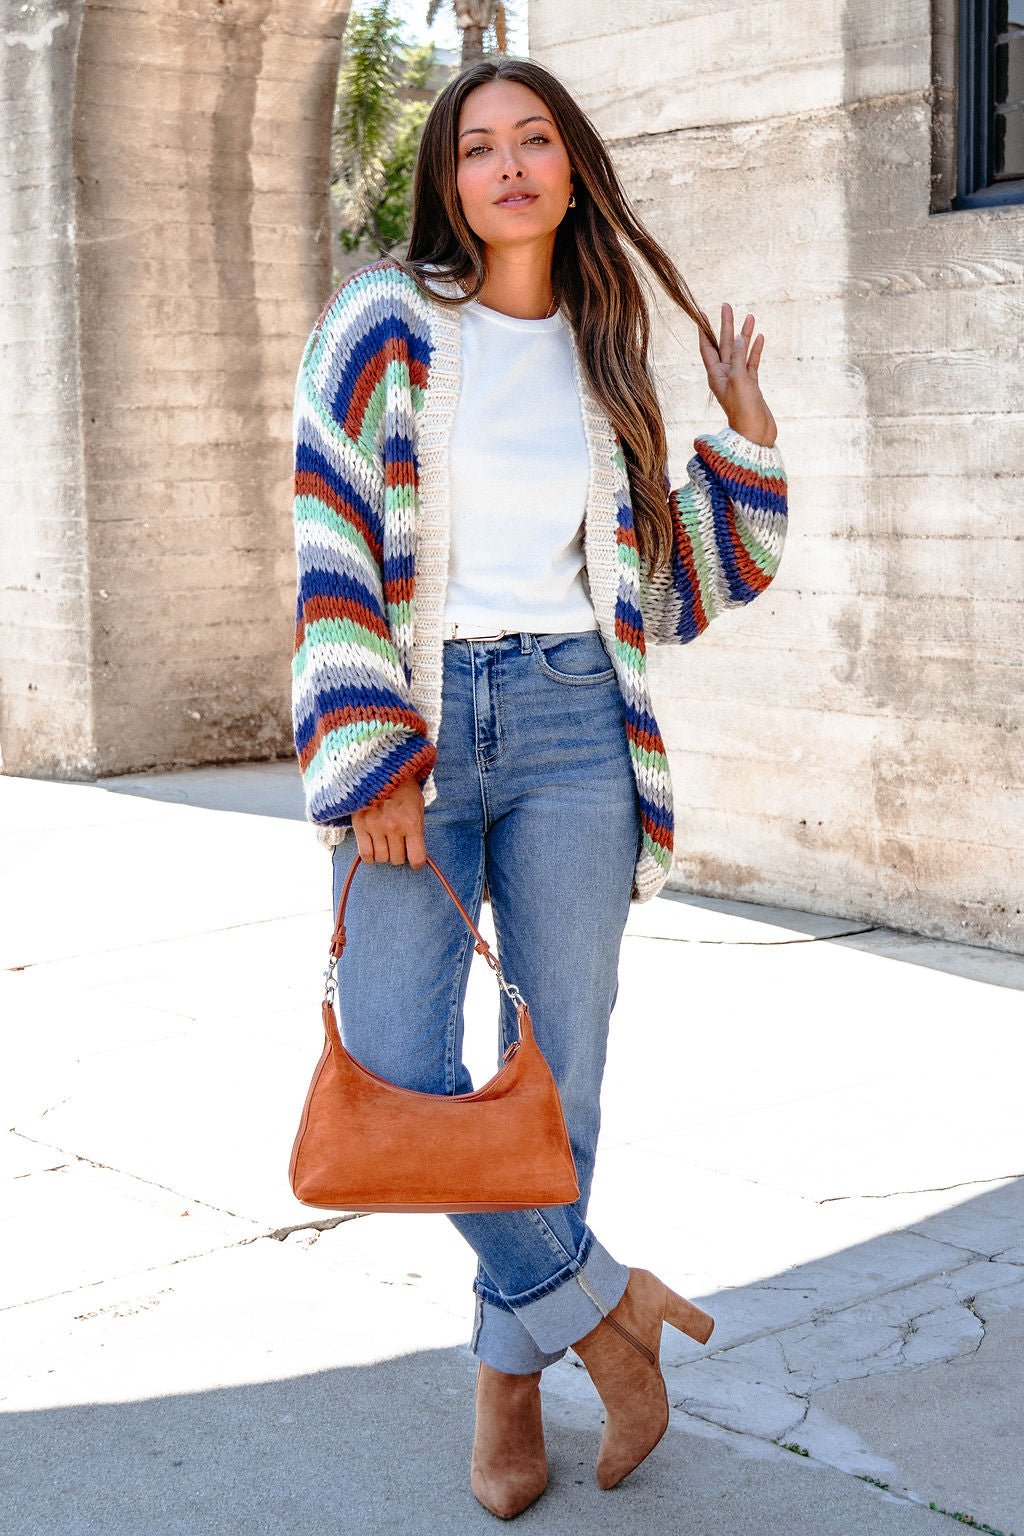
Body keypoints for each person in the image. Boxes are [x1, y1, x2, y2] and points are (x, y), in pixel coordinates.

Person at [290, 56, 788, 1519]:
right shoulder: (380, 325)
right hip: (421, 734)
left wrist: (742, 437)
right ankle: (609, 1310)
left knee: (554, 1083)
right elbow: (327, 534)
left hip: (577, 730)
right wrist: (372, 743)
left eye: (535, 141)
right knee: (393, 1055)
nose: (507, 166)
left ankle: (512, 1382)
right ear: (447, 179)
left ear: (572, 169)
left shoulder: (607, 348)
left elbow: (676, 585)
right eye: (477, 147)